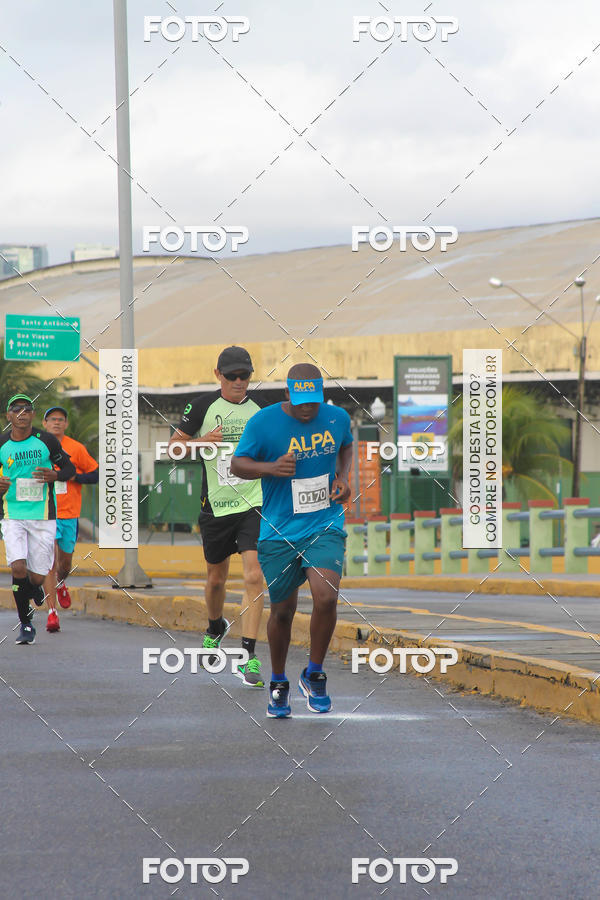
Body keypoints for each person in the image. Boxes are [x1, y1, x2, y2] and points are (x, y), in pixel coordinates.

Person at [231, 363, 353, 717]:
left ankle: (315, 674)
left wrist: (343, 478)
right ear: (287, 395)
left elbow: (346, 446)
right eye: (300, 401)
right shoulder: (263, 423)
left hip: (324, 522)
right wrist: (270, 469)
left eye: (313, 401)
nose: (307, 409)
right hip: (279, 530)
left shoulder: (336, 418)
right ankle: (279, 682)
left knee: (326, 597)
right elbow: (238, 465)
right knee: (282, 611)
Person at [169, 346, 265, 686]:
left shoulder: (259, 411)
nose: (239, 382)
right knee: (216, 580)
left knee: (254, 576)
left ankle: (249, 656)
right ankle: (215, 626)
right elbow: (173, 449)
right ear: (218, 375)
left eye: (245, 376)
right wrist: (202, 441)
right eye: (232, 376)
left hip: (253, 505)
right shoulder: (202, 406)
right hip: (216, 507)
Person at [0, 395, 76, 644]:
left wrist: (55, 475)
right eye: (16, 409)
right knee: (18, 567)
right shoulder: (2, 444)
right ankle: (26, 624)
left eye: (27, 409)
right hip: (13, 515)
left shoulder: (47, 441)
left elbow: (69, 470)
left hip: (43, 516)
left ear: (33, 415)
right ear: (8, 415)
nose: (22, 412)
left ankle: (32, 589)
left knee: (37, 576)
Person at [42, 406, 99, 632]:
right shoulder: (37, 447)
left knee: (64, 563)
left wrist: (76, 476)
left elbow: (95, 473)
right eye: (52, 419)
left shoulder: (76, 448)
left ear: (65, 424)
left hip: (69, 513)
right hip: (44, 512)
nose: (56, 423)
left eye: (61, 420)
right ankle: (52, 613)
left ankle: (60, 582)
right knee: (49, 561)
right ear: (45, 423)